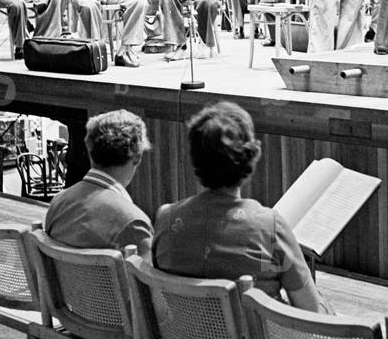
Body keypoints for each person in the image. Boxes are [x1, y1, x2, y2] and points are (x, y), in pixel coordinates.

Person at [153, 101, 329, 312]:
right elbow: (310, 311)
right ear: (250, 157)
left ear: (195, 159)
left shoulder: (166, 219)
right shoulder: (268, 227)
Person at [45, 109, 153, 256]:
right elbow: (142, 278)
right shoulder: (133, 222)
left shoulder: (57, 203)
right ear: (138, 157)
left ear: (89, 150)